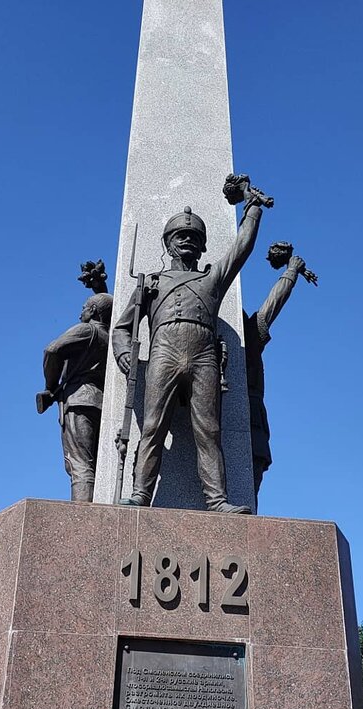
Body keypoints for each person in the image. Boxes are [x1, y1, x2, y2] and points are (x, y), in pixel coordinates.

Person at [112, 182, 266, 513]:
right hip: (162, 353)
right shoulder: (151, 283)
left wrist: (252, 209)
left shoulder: (211, 278)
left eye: (194, 237)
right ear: (168, 244)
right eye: (180, 236)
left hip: (204, 355)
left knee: (209, 431)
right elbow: (122, 327)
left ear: (203, 247)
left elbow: (241, 248)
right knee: (152, 426)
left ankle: (217, 500)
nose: (187, 240)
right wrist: (126, 353)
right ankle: (140, 494)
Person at [36, 292, 112, 502]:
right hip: (101, 404)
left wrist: (51, 387)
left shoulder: (87, 330)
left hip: (79, 400)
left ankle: (83, 521)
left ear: (94, 311)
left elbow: (52, 350)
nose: (80, 313)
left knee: (79, 465)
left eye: (84, 307)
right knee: (93, 465)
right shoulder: (111, 337)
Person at [244, 253, 307, 500]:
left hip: (253, 417)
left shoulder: (249, 335)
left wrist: (290, 273)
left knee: (251, 487)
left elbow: (272, 305)